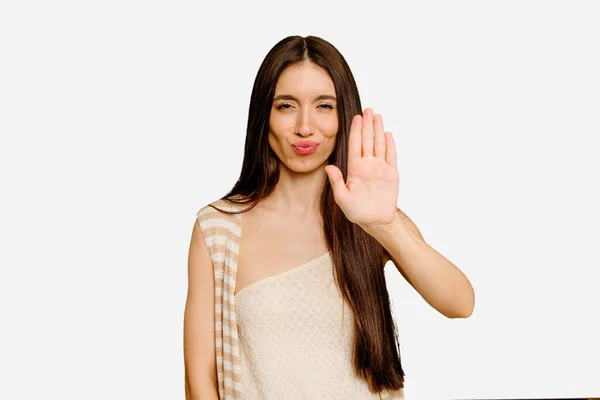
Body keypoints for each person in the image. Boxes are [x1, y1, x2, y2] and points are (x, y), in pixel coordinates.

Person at [184, 35, 475, 400]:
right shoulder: (218, 229)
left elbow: (460, 303)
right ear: (264, 116)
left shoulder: (371, 217)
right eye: (286, 105)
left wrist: (385, 227)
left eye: (324, 106)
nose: (305, 127)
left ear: (344, 115)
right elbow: (200, 381)